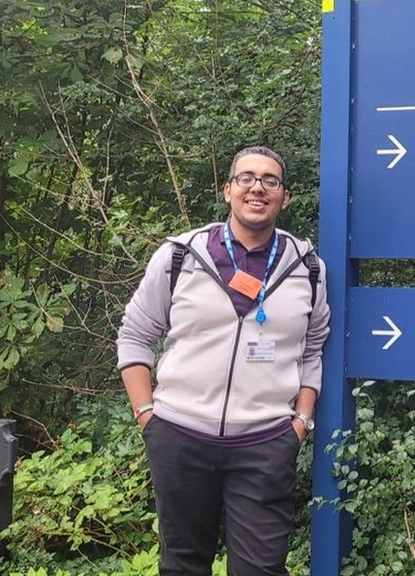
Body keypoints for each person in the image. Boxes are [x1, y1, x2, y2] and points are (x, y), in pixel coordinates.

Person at [116, 146, 331, 575]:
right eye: (247, 178)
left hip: (265, 443)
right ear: (228, 189)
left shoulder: (307, 267)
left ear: (284, 197)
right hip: (180, 436)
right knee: (183, 566)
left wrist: (301, 423)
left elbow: (312, 348)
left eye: (270, 180)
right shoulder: (180, 256)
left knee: (261, 570)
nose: (258, 187)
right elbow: (135, 336)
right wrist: (147, 416)